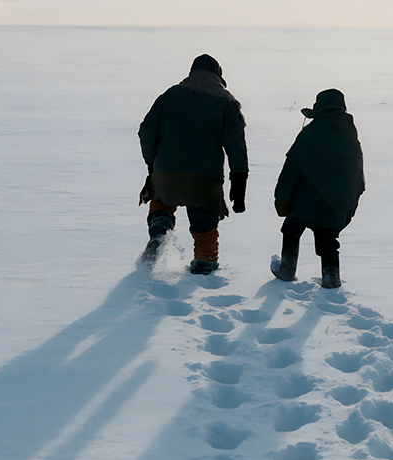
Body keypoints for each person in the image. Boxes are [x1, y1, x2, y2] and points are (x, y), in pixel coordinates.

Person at [138, 54, 248, 275]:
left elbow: (146, 131)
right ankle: (204, 265)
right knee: (205, 228)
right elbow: (236, 145)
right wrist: (239, 181)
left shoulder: (169, 95)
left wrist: (152, 164)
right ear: (218, 76)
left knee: (161, 200)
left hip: (166, 171)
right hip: (205, 179)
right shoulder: (227, 102)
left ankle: (160, 230)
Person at [271, 88, 365, 288]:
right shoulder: (350, 135)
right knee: (328, 242)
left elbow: (292, 167)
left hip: (304, 201)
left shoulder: (312, 132)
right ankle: (331, 280)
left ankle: (286, 270)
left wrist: (281, 198)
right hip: (333, 205)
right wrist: (349, 205)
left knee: (291, 231)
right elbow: (357, 175)